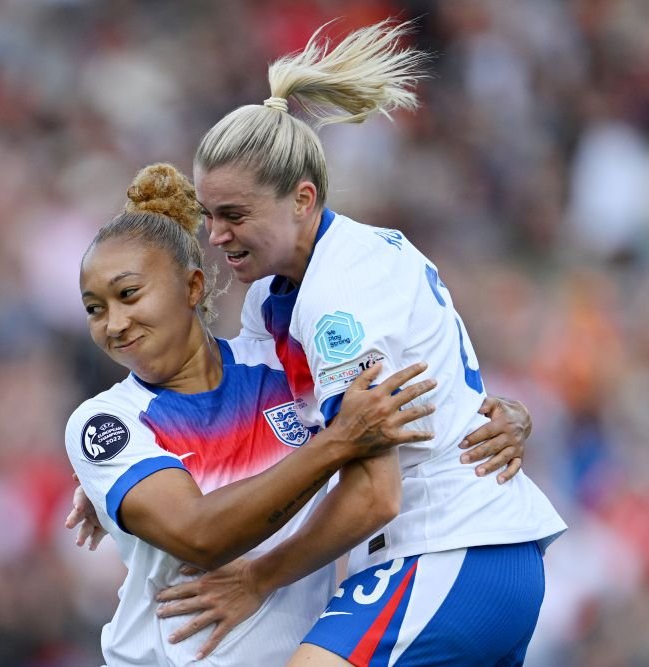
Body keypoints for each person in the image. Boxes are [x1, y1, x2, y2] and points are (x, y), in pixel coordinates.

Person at [150, 18, 567, 666]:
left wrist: (260, 577)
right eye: (209, 214)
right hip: (473, 554)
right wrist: (113, 470)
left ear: (302, 199)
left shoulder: (335, 299)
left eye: (234, 215)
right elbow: (234, 415)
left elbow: (376, 492)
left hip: (446, 549)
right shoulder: (279, 292)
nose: (216, 235)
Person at [64, 162, 534, 666]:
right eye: (95, 309)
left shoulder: (282, 366)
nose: (115, 323)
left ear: (193, 287)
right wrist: (337, 442)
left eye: (129, 294)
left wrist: (493, 413)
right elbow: (200, 535)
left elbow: (401, 367)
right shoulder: (105, 423)